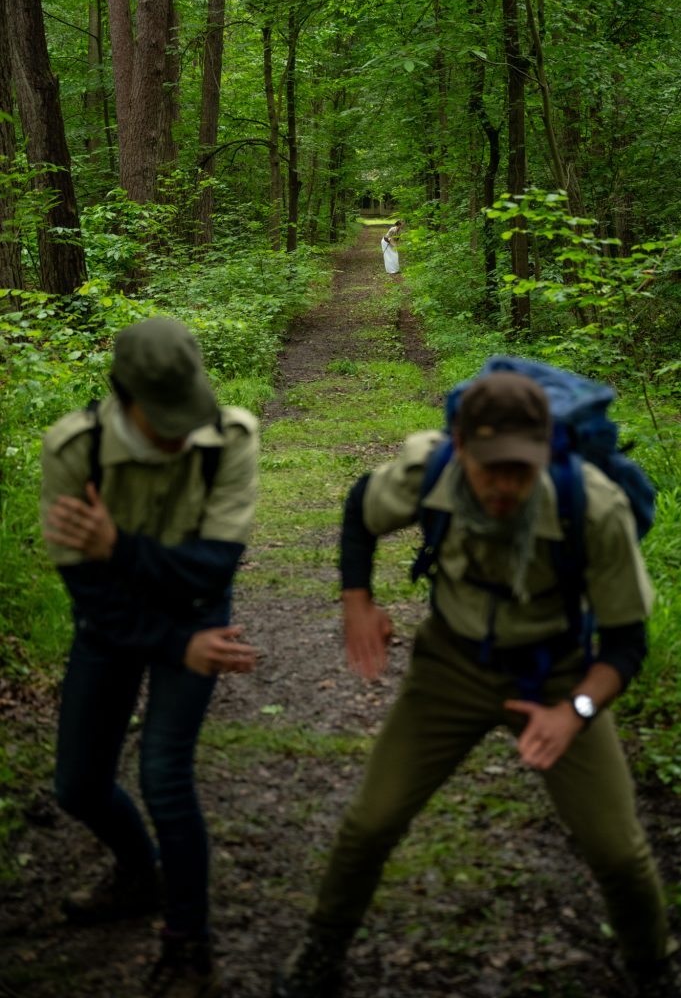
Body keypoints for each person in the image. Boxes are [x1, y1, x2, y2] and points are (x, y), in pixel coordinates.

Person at [273, 371, 678, 998]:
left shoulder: (592, 505)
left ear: (545, 453)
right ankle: (321, 947)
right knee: (370, 822)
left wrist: (573, 712)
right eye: (491, 468)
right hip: (450, 667)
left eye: (521, 470)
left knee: (620, 851)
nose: (504, 487)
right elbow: (361, 506)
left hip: (558, 672)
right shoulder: (428, 471)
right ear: (459, 447)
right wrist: (357, 598)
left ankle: (652, 969)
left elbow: (626, 643)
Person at [41, 317, 259, 998]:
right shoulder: (74, 448)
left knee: (165, 775)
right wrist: (171, 642)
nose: (175, 429)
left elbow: (213, 569)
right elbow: (88, 589)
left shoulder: (230, 438)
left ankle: (189, 941)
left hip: (198, 617)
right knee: (77, 785)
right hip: (127, 628)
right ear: (122, 393)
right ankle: (139, 873)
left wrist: (121, 548)